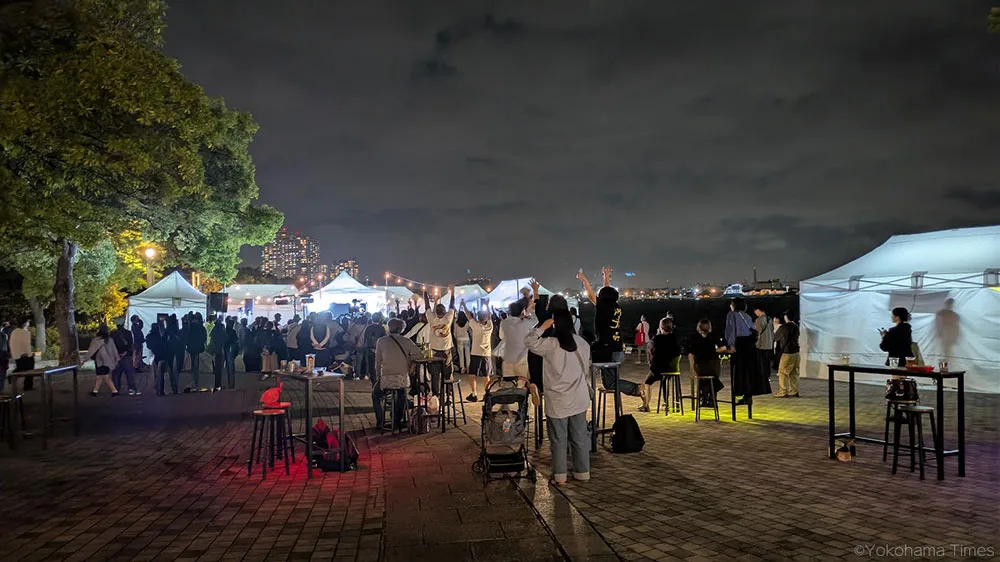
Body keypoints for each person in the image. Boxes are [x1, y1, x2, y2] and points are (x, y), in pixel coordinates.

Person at [524, 310, 591, 486]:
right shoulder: (582, 343)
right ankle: (582, 472)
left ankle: (560, 476)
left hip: (557, 399)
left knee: (558, 440)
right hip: (579, 397)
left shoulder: (551, 344)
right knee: (579, 437)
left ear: (555, 324)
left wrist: (542, 327)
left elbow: (529, 341)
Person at [578, 268, 644, 401]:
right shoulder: (616, 306)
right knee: (613, 380)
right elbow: (606, 292)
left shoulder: (603, 305)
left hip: (606, 349)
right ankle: (638, 391)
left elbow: (590, 294)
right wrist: (606, 276)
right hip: (617, 348)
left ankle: (637, 388)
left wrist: (584, 280)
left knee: (609, 384)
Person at [374, 318, 423, 430]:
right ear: (401, 329)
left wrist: (378, 379)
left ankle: (380, 421)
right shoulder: (406, 341)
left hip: (386, 378)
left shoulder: (381, 341)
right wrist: (410, 362)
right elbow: (420, 355)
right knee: (402, 393)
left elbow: (377, 363)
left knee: (375, 396)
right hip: (402, 378)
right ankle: (397, 420)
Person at [725, 298, 769, 404]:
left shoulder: (732, 315)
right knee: (749, 371)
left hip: (740, 344)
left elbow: (731, 330)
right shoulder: (746, 315)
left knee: (739, 371)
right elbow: (753, 328)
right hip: (750, 345)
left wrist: (731, 345)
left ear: (734, 305)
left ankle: (741, 392)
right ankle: (748, 396)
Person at [640, 317, 681, 412]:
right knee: (665, 381)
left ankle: (646, 405)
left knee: (647, 382)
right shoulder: (675, 338)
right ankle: (666, 403)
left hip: (659, 369)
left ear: (661, 327)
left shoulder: (657, 339)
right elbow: (678, 352)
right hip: (672, 369)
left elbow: (652, 351)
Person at [423, 287, 456, 395]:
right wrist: (452, 293)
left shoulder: (432, 319)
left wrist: (425, 292)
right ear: (445, 311)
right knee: (448, 374)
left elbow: (427, 306)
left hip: (435, 352)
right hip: (446, 351)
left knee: (435, 375)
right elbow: (452, 306)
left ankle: (435, 395)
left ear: (436, 312)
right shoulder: (448, 318)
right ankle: (449, 394)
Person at [687, 319, 727, 406]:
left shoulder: (695, 337)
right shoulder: (713, 336)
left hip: (700, 365)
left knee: (703, 376)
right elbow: (723, 348)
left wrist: (693, 367)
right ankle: (712, 398)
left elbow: (690, 353)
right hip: (712, 364)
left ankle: (704, 397)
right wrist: (714, 351)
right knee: (713, 374)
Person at [462, 300, 493, 402]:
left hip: (475, 353)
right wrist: (487, 305)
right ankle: (487, 394)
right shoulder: (489, 327)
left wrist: (464, 305)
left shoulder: (475, 326)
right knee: (486, 375)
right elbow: (490, 315)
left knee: (472, 374)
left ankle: (474, 393)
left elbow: (468, 316)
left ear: (478, 318)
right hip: (486, 354)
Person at [500, 299, 537, 384]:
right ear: (522, 311)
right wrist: (531, 309)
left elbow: (501, 336)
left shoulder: (504, 323)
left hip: (507, 359)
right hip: (521, 359)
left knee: (509, 385)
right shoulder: (525, 323)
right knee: (521, 385)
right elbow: (535, 320)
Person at [773, 311, 801, 398]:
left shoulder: (784, 327)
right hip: (796, 352)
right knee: (794, 372)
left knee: (782, 372)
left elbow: (776, 337)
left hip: (787, 352)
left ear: (786, 317)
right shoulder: (796, 326)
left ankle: (783, 391)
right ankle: (794, 391)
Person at [87, 324, 120, 396]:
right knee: (102, 376)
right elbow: (114, 350)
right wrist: (117, 359)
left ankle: (114, 391)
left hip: (99, 361)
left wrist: (86, 359)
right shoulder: (110, 340)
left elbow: (91, 351)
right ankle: (95, 391)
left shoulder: (95, 340)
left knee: (103, 376)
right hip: (107, 360)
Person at [147, 319, 177, 395]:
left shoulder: (150, 336)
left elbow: (149, 346)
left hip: (156, 356)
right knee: (169, 373)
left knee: (158, 374)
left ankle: (159, 389)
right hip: (166, 355)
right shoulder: (166, 334)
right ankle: (173, 389)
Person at [111, 319, 138, 395]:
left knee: (116, 374)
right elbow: (130, 345)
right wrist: (126, 352)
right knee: (129, 374)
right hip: (126, 356)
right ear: (123, 324)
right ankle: (132, 389)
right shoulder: (128, 333)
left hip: (115, 357)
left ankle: (116, 390)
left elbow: (111, 346)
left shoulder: (112, 334)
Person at [361, 313, 387, 380]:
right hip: (379, 350)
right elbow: (384, 339)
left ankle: (373, 380)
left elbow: (365, 339)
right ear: (380, 319)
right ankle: (378, 379)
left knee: (371, 366)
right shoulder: (381, 328)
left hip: (369, 349)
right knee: (379, 366)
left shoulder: (368, 328)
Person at [10, 320, 34, 390]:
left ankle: (28, 386)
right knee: (28, 370)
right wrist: (25, 353)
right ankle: (27, 386)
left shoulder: (16, 332)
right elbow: (24, 344)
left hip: (22, 355)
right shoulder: (21, 332)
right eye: (28, 322)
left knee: (25, 369)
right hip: (24, 355)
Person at [753, 307, 775, 381]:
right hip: (769, 344)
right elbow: (772, 331)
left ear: (758, 310)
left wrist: (756, 344)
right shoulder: (769, 319)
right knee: (767, 362)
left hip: (761, 345)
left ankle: (762, 377)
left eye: (755, 311)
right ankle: (767, 376)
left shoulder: (759, 320)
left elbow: (757, 333)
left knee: (761, 363)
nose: (755, 313)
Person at [187, 313, 207, 390]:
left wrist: (188, 344)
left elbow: (187, 336)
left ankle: (194, 380)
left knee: (193, 362)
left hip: (191, 347)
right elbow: (204, 337)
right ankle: (196, 381)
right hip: (198, 347)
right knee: (196, 364)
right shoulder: (201, 327)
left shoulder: (190, 327)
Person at [210, 315, 226, 391]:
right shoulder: (222, 328)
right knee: (220, 367)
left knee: (216, 367)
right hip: (221, 350)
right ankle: (219, 383)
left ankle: (216, 383)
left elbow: (212, 338)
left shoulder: (215, 328)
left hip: (216, 350)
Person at [224, 316, 239, 388]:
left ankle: (227, 384)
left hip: (226, 349)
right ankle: (231, 384)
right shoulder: (233, 332)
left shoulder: (225, 331)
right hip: (230, 350)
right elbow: (236, 341)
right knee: (230, 368)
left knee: (226, 368)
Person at [0, 321, 10, 393]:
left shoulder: (4, 335)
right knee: (2, 374)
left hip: (3, 355)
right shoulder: (4, 335)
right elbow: (5, 347)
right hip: (3, 355)